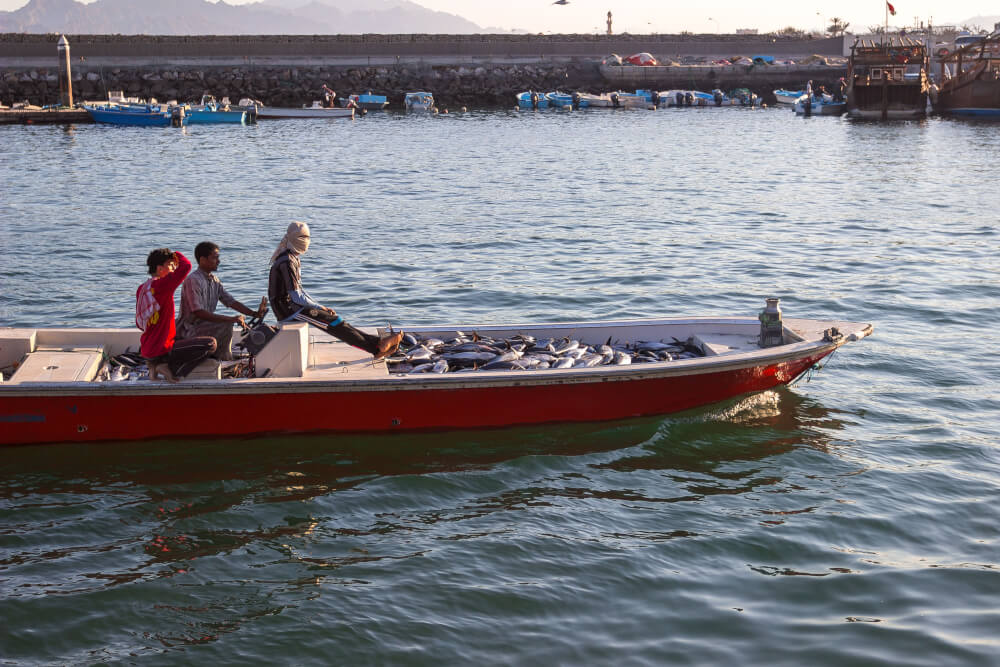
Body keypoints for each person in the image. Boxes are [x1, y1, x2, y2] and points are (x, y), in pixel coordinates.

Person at [267, 221, 402, 359]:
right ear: (297, 239)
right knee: (333, 324)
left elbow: (300, 292)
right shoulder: (287, 261)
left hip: (295, 308)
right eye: (305, 238)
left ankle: (378, 343)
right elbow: (296, 296)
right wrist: (320, 307)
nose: (307, 241)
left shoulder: (292, 257)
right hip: (289, 311)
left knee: (336, 320)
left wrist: (320, 307)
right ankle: (376, 348)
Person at [176, 241, 268, 361]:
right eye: (214, 258)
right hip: (189, 329)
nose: (218, 261)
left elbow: (231, 301)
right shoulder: (193, 280)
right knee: (226, 324)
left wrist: (254, 313)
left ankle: (221, 355)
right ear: (203, 260)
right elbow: (198, 312)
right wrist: (231, 319)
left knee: (227, 323)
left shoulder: (214, 280)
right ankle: (224, 357)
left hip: (205, 326)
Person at [137, 249, 217, 382]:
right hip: (161, 349)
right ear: (160, 268)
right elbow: (186, 266)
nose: (174, 267)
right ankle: (169, 368)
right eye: (171, 264)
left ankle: (153, 366)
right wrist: (174, 254)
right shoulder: (163, 285)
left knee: (183, 333)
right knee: (210, 344)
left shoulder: (143, 288)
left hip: (147, 349)